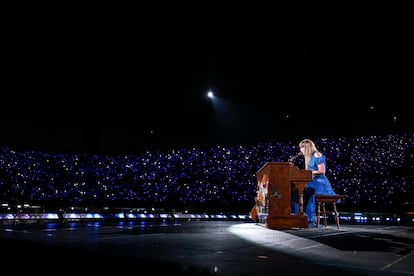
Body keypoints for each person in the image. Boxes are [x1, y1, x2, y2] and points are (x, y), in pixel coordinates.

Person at [291, 139, 337, 226]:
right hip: (312, 181)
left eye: (302, 147)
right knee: (296, 192)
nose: (300, 150)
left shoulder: (316, 154)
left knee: (309, 192)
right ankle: (297, 216)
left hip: (320, 183)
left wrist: (309, 173)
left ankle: (310, 219)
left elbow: (322, 171)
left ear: (307, 147)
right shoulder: (309, 158)